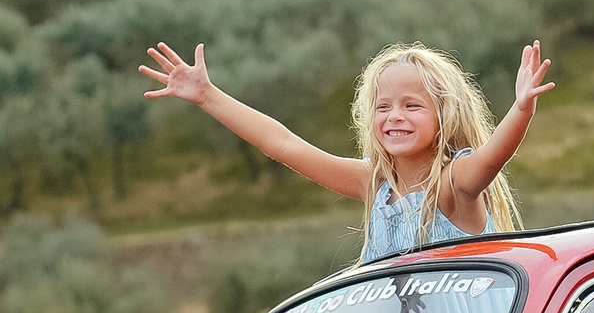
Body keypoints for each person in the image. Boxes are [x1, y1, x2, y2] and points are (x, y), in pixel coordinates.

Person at [142, 39, 552, 262]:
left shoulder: (454, 183)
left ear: (445, 114)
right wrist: (208, 95)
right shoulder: (373, 183)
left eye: (412, 106)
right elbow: (283, 144)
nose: (395, 117)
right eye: (383, 107)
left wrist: (520, 109)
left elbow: (493, 157)